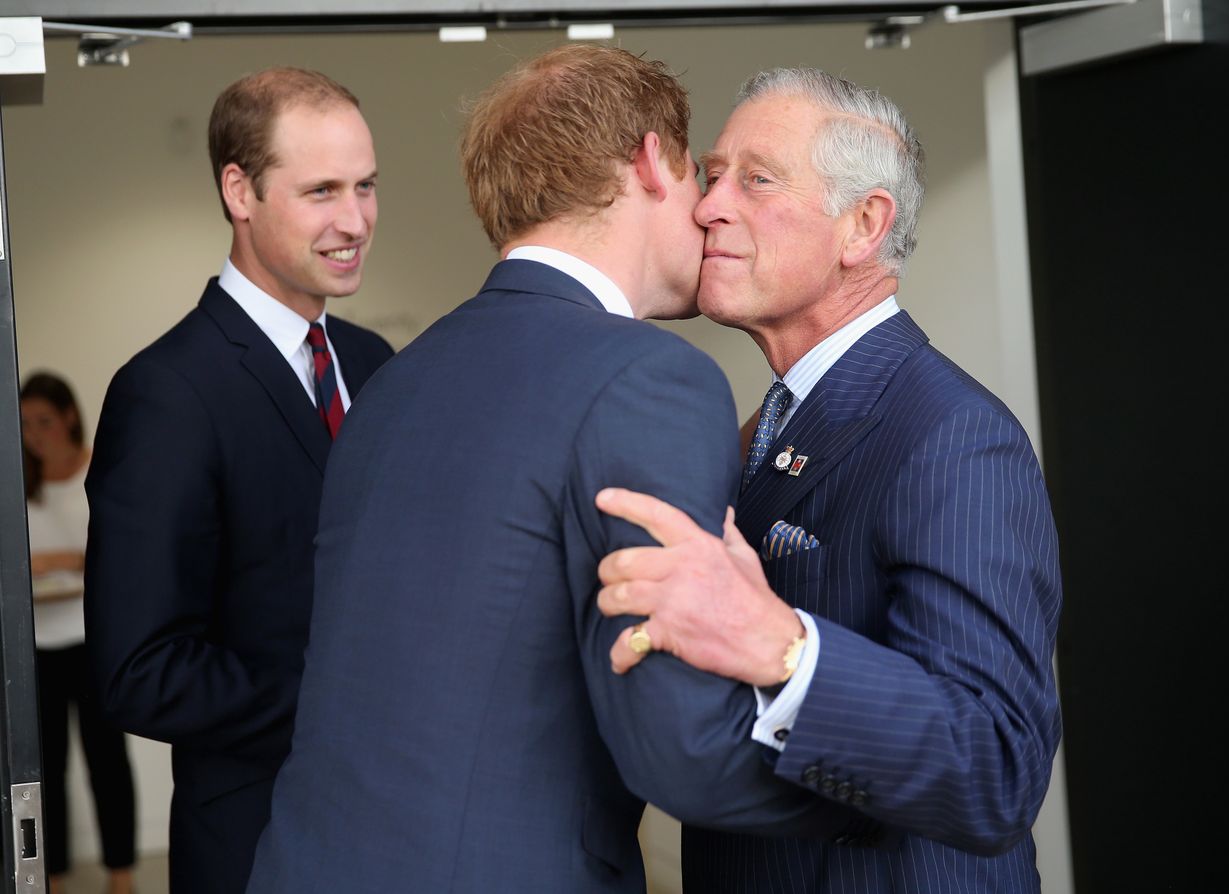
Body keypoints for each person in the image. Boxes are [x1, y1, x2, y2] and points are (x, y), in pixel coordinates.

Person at [247, 46, 855, 894]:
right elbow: (681, 750)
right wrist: (893, 781)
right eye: (698, 175)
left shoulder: (394, 383)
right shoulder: (650, 376)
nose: (712, 210)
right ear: (650, 161)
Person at [594, 68, 1063, 892]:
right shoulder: (761, 428)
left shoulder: (954, 437)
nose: (707, 207)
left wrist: (781, 646)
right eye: (710, 176)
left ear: (863, 226)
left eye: (756, 179)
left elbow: (995, 767)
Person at [83, 67, 394, 894]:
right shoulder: (168, 392)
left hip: (399, 833)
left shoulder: (375, 363)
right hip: (258, 851)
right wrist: (342, 706)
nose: (355, 219)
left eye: (366, 186)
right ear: (239, 189)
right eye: (322, 190)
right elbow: (136, 670)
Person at [21, 372, 136, 894]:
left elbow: (124, 553)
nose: (34, 434)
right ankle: (56, 879)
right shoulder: (19, 482)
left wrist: (67, 559)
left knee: (107, 762)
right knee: (46, 771)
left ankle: (121, 875)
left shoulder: (100, 469)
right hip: (37, 647)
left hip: (94, 641)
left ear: (69, 416)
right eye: (24, 424)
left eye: (43, 421)